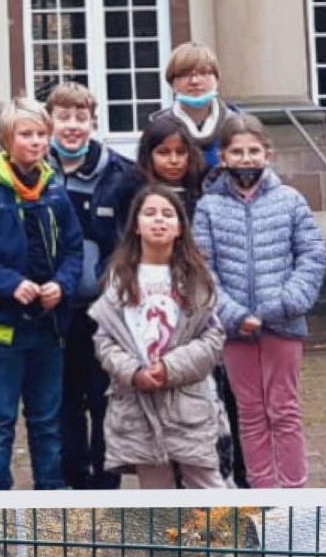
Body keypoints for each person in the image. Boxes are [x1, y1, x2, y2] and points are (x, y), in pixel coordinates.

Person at [0, 99, 83, 490]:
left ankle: (50, 489)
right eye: (27, 135)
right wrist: (8, 283)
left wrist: (63, 284)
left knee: (47, 418)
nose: (36, 142)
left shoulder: (55, 190)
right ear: (7, 140)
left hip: (48, 325)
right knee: (1, 416)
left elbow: (74, 249)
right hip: (1, 326)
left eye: (42, 135)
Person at [193, 115, 326, 489]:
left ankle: (294, 491)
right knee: (250, 414)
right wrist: (233, 315)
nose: (246, 158)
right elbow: (204, 271)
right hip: (236, 331)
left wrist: (282, 305)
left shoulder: (290, 201)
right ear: (223, 157)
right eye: (237, 151)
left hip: (282, 324)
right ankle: (263, 491)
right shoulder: (208, 208)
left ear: (268, 154)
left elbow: (312, 256)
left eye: (254, 150)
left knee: (284, 410)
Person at [89, 186, 226, 489]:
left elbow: (212, 338)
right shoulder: (118, 278)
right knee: (155, 489)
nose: (158, 220)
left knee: (205, 480)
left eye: (167, 214)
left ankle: (224, 537)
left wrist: (170, 368)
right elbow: (105, 340)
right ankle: (166, 538)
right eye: (149, 213)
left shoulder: (196, 277)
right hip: (137, 403)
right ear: (136, 225)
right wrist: (133, 372)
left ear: (180, 227)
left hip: (189, 401)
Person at [138, 111, 243, 484]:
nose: (173, 160)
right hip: (153, 323)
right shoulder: (138, 198)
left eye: (180, 152)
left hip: (198, 316)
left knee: (209, 411)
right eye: (164, 152)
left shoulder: (207, 196)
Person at [47, 83, 140, 489]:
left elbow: (133, 238)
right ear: (48, 121)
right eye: (63, 118)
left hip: (105, 311)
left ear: (93, 122)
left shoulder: (121, 174)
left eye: (80, 118)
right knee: (61, 404)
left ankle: (105, 488)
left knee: (105, 401)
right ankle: (70, 483)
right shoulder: (33, 170)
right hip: (53, 311)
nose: (72, 127)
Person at [161, 43, 229, 168]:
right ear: (172, 83)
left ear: (217, 79)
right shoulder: (159, 130)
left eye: (203, 73)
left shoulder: (238, 126)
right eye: (185, 75)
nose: (195, 81)